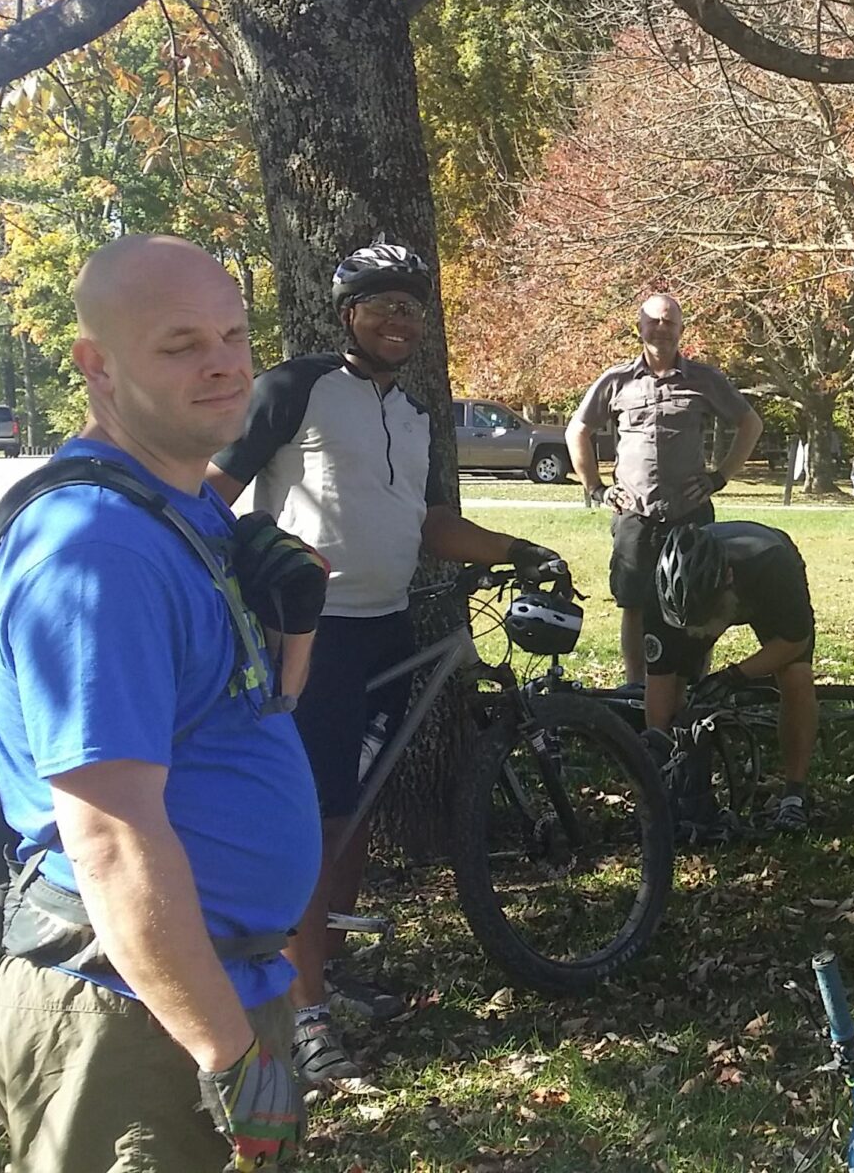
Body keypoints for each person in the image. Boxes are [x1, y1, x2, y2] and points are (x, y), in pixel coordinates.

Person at [0, 234, 320, 1171]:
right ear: (99, 366)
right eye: (180, 344)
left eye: (235, 334)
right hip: (133, 1011)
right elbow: (111, 838)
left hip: (211, 980)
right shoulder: (98, 555)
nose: (224, 363)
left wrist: (295, 617)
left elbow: (257, 715)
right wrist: (228, 1053)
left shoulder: (184, 509)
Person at [208, 243, 561, 1088]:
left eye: (410, 306)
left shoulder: (412, 413)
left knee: (358, 807)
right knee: (312, 818)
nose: (398, 319)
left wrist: (519, 547)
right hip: (310, 637)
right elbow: (214, 491)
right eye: (380, 304)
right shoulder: (298, 388)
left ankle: (319, 971)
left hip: (388, 628)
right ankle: (304, 1013)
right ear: (347, 314)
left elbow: (428, 520)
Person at [568, 294, 763, 688]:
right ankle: (636, 687)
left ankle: (691, 684)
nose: (661, 328)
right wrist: (596, 487)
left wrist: (719, 476)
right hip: (635, 513)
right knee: (635, 605)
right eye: (654, 321)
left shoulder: (704, 379)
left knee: (697, 601)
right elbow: (578, 430)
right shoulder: (616, 380)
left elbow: (750, 424)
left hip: (689, 515)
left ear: (681, 330)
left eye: (669, 322)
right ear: (639, 328)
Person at [648, 520, 823, 834]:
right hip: (696, 599)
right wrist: (657, 767)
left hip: (765, 578)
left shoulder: (773, 568)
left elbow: (793, 640)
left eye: (708, 616)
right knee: (677, 683)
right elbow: (659, 689)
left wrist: (734, 676)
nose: (699, 630)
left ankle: (795, 795)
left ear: (728, 580)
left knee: (796, 676)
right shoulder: (661, 595)